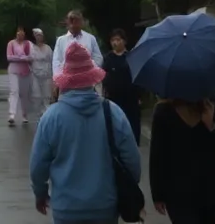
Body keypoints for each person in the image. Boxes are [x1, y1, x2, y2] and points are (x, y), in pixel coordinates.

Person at [30, 43, 142, 224]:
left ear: (65, 81)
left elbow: (38, 166)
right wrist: (128, 187)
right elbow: (132, 161)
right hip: (105, 206)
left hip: (66, 209)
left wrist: (40, 193)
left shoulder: (51, 118)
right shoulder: (113, 113)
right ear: (92, 79)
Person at [149, 94, 215, 224]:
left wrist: (211, 126)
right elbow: (157, 156)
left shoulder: (210, 106)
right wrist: (158, 195)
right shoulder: (164, 111)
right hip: (178, 193)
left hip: (209, 190)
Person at [102, 29, 143, 145]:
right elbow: (104, 76)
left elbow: (136, 77)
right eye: (113, 40)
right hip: (113, 98)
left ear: (124, 41)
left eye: (118, 39)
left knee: (132, 124)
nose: (115, 43)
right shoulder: (108, 58)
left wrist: (139, 95)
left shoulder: (131, 57)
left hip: (130, 97)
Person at [6, 27, 34, 127]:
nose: (20, 36)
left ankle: (24, 115)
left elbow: (32, 57)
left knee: (24, 94)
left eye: (22, 34)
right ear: (16, 34)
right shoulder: (11, 43)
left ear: (24, 35)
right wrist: (22, 58)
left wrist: (24, 58)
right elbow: (9, 57)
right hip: (13, 71)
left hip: (25, 71)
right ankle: (12, 114)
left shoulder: (28, 44)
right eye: (18, 34)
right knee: (14, 91)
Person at [29, 28, 54, 119]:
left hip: (46, 73)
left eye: (40, 36)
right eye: (37, 36)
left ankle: (46, 112)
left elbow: (52, 60)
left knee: (47, 94)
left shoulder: (48, 48)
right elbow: (29, 60)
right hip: (35, 73)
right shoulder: (32, 48)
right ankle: (39, 112)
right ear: (35, 37)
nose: (39, 37)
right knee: (37, 95)